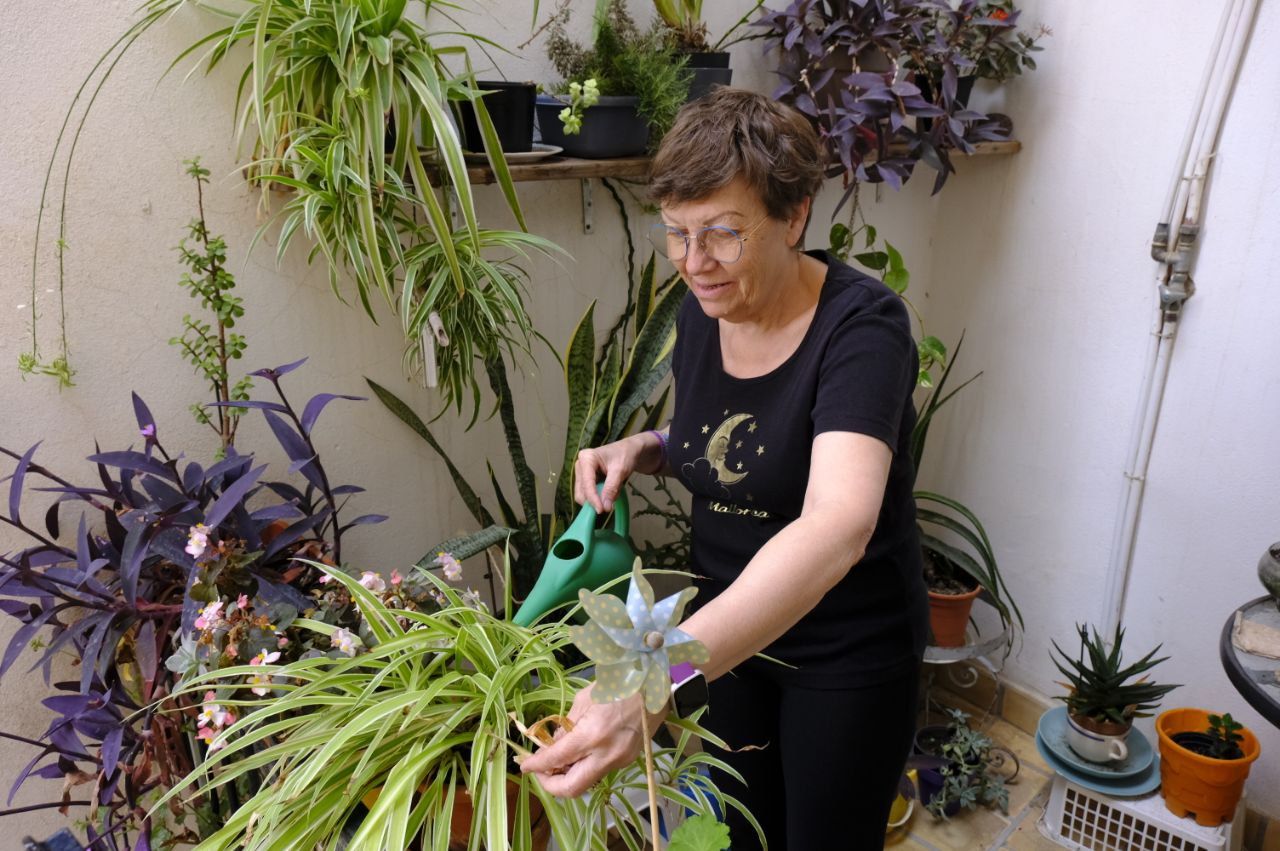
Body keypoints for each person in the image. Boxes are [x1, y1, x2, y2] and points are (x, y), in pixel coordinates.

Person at [520, 87, 929, 851]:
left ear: (795, 214)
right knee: (741, 834)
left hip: (845, 655)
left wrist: (659, 676)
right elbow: (738, 439)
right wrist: (647, 449)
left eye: (722, 234)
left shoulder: (864, 329)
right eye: (676, 234)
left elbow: (838, 522)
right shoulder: (702, 313)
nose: (694, 262)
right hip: (732, 642)